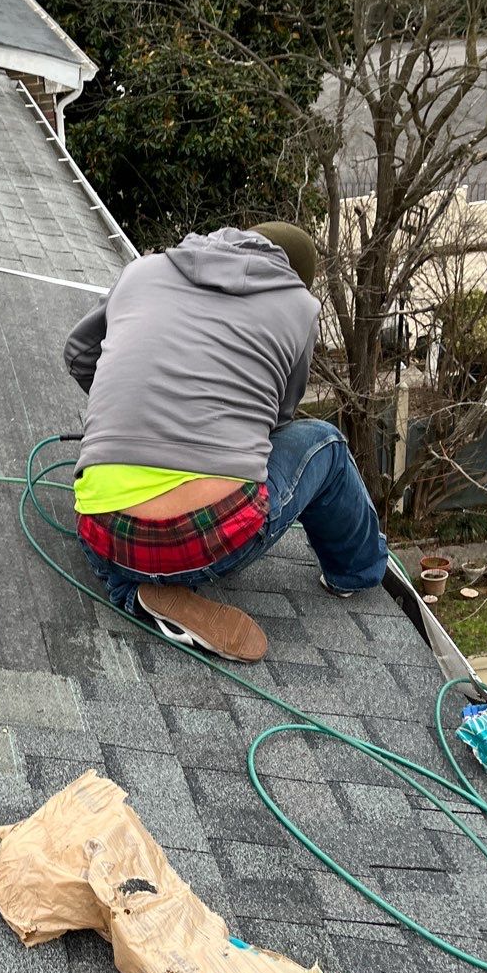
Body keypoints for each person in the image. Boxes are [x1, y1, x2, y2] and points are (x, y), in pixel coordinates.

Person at [64, 221, 387, 661]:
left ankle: (129, 586)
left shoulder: (143, 270)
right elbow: (280, 420)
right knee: (324, 443)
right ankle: (356, 572)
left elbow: (79, 355)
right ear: (293, 276)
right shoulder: (299, 308)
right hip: (208, 536)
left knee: (115, 529)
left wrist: (136, 411)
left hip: (100, 526)